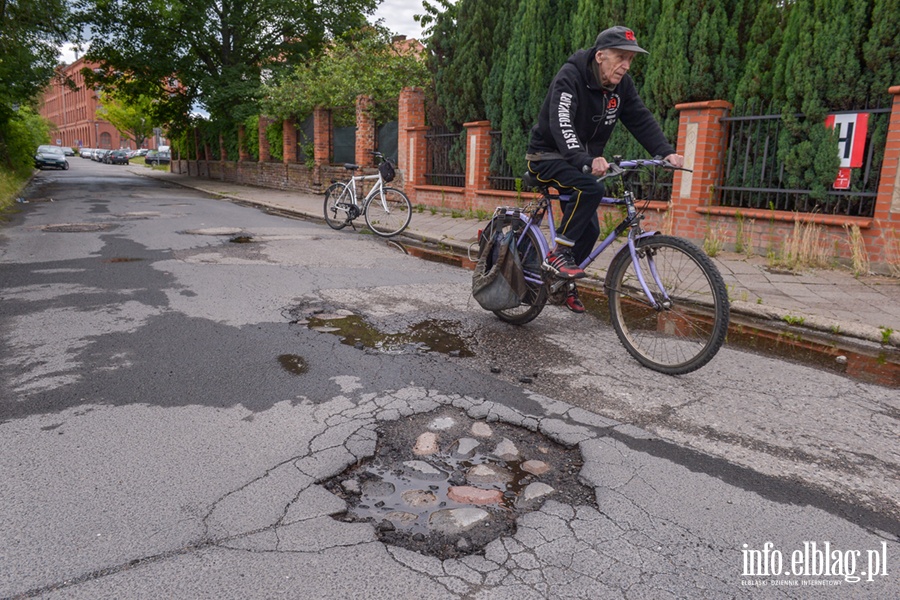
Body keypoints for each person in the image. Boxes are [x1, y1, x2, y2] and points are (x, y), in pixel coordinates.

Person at [526, 26, 683, 313]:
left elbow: (639, 117)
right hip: (546, 155)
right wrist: (584, 159)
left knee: (590, 228)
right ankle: (558, 254)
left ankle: (562, 283)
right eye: (621, 57)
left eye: (631, 60)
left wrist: (665, 152)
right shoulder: (570, 76)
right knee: (591, 188)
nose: (626, 66)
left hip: (579, 160)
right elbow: (562, 122)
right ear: (600, 55)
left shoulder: (622, 86)